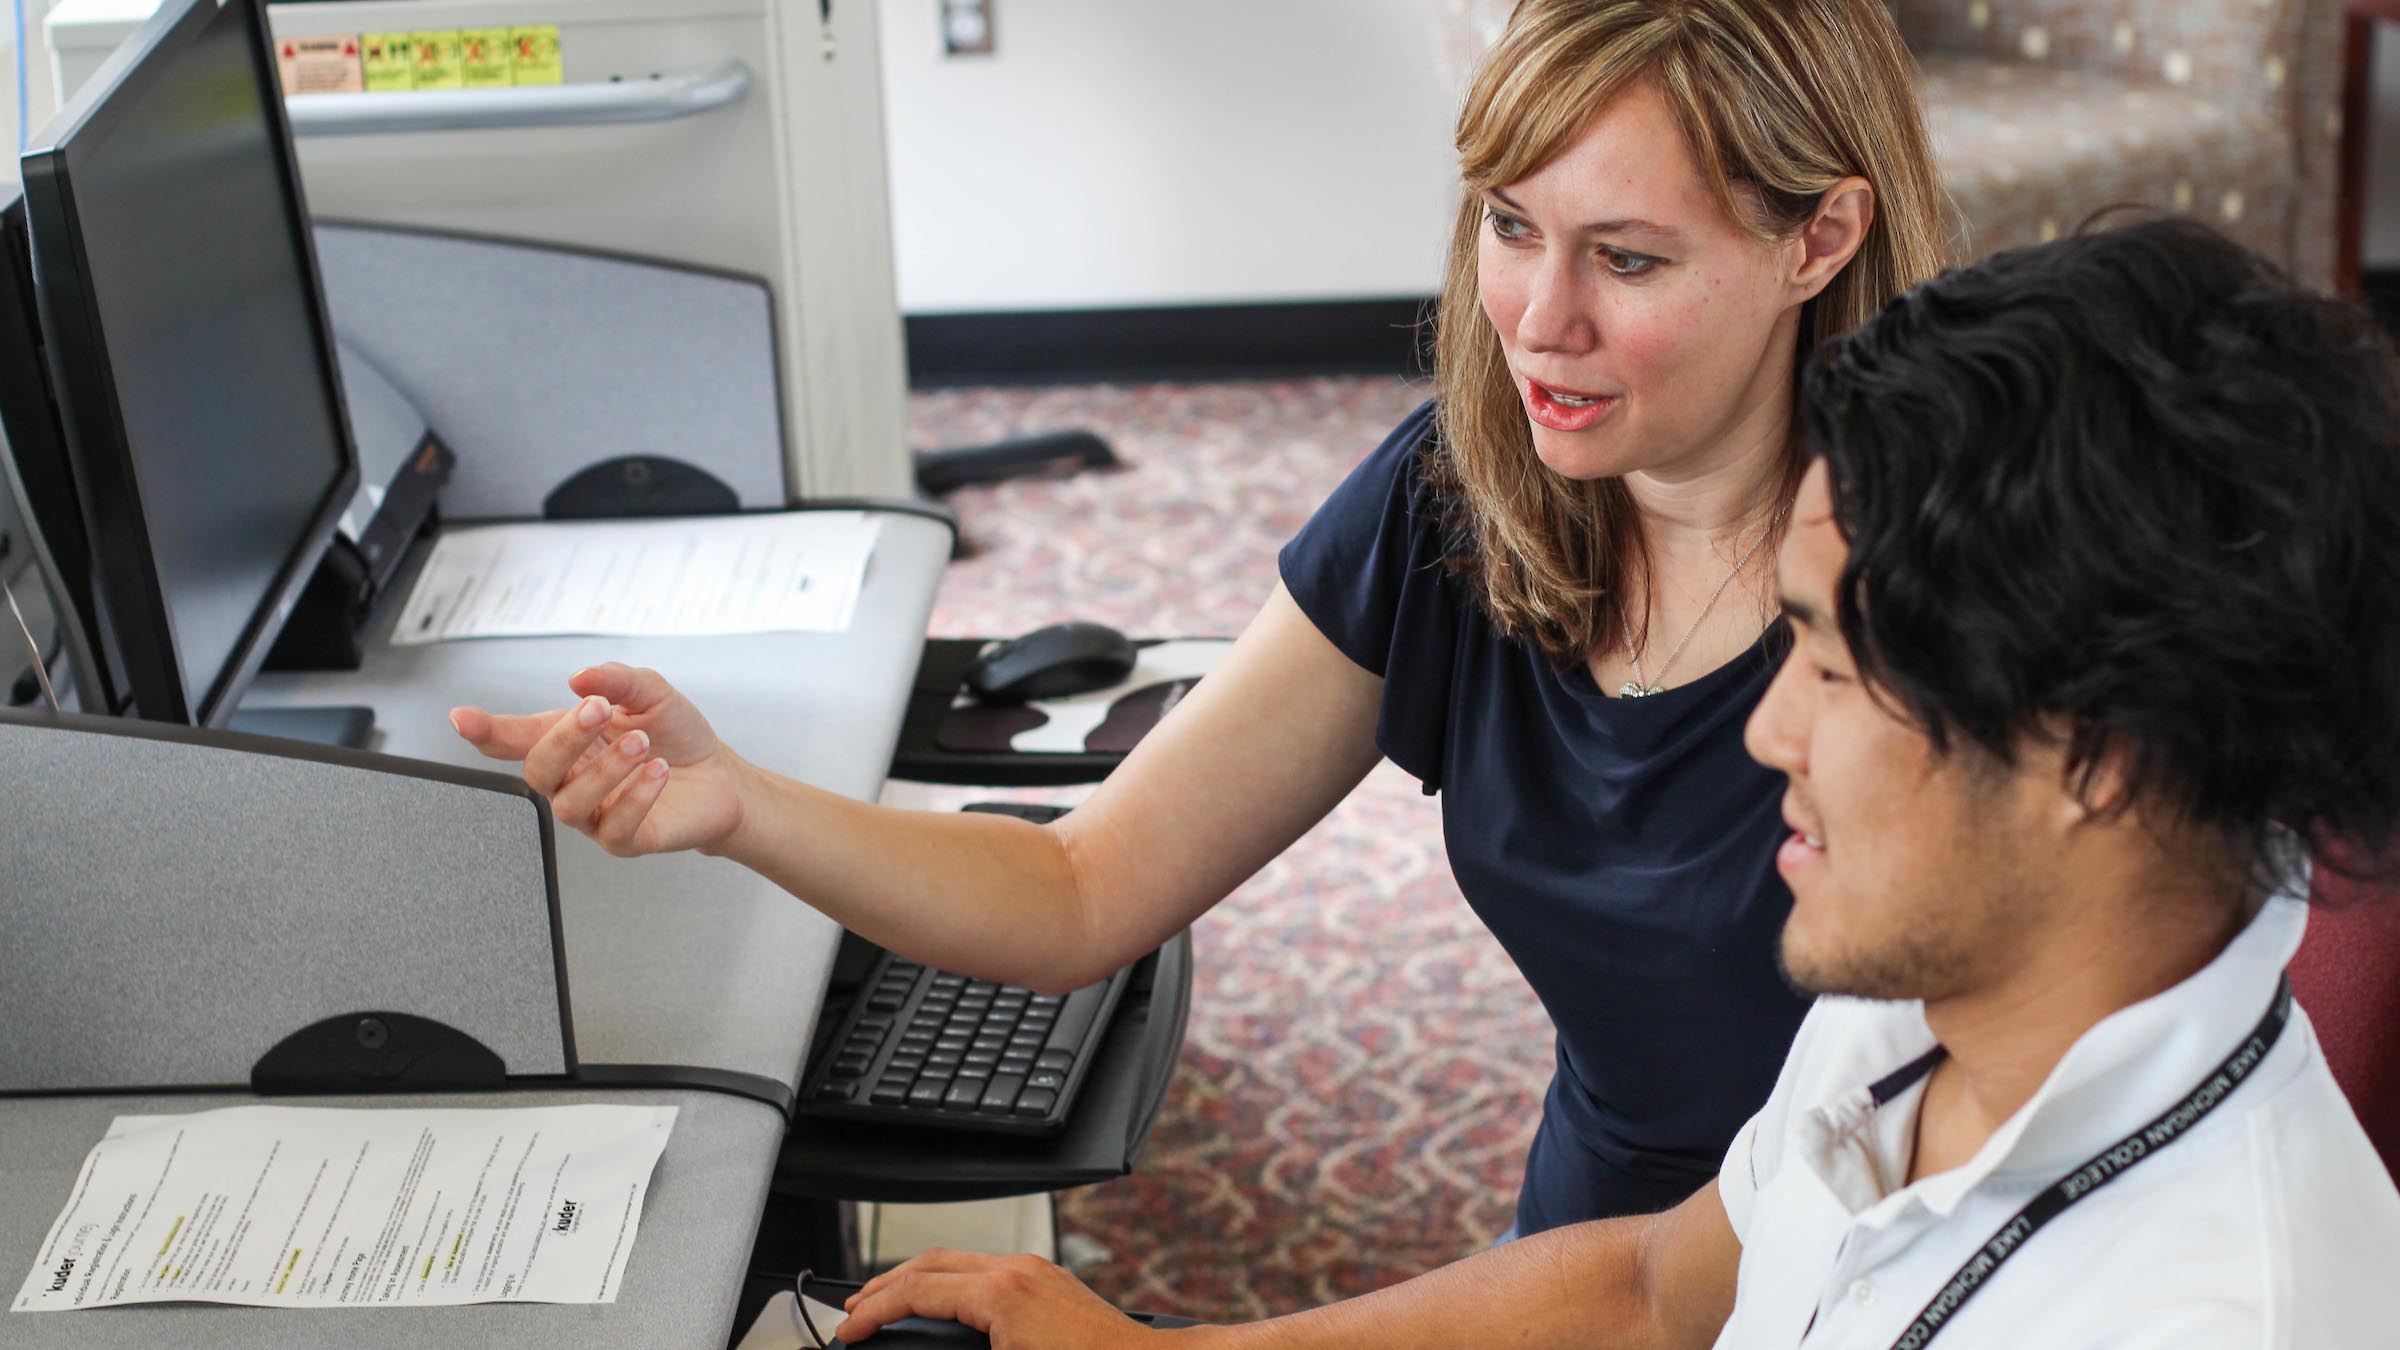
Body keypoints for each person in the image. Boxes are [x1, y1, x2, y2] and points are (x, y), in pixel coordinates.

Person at [450, 0, 1949, 1236]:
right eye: (1508, 224)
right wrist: (739, 804)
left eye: (1627, 258)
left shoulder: (1954, 571)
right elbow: (1083, 890)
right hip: (1589, 1235)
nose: (1537, 316)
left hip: (1875, 1248)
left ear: (1818, 239)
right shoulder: (1461, 497)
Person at [828, 218, 2400, 1348]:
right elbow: (1659, 1288)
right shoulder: (1932, 992)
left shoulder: (2217, 1305)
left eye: (1840, 675)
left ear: (2102, 760)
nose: (1769, 731)